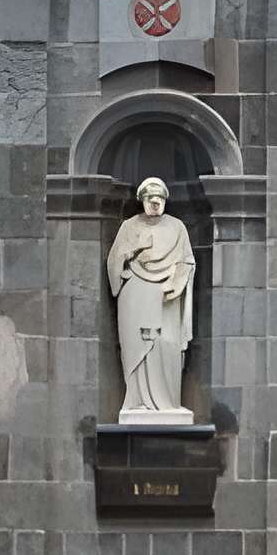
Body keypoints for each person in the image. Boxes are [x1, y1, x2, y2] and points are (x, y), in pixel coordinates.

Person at [106, 175, 195, 422]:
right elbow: (115, 261)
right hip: (135, 292)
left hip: (166, 295)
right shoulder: (129, 227)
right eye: (149, 200)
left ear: (165, 201)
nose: (155, 204)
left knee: (166, 344)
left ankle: (168, 402)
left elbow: (187, 261)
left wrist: (177, 284)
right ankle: (136, 400)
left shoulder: (177, 228)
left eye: (159, 200)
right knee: (136, 346)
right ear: (142, 201)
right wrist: (134, 249)